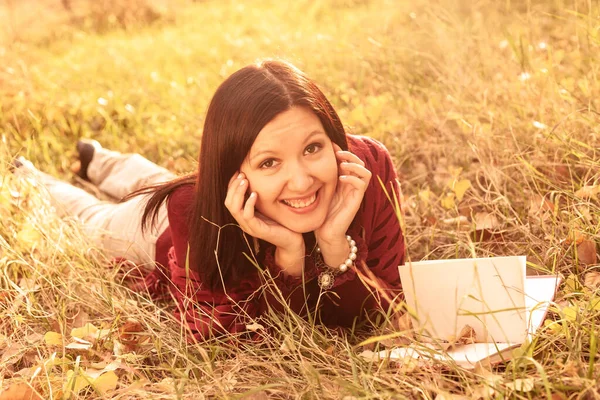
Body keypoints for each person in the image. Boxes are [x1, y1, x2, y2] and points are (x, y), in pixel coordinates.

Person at [13, 60, 405, 341]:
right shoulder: (191, 210)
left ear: (333, 140)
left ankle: (98, 158)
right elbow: (216, 335)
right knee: (93, 217)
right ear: (232, 175)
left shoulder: (364, 170)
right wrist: (288, 257)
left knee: (158, 181)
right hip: (162, 231)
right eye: (269, 162)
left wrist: (335, 245)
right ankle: (29, 174)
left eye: (312, 148)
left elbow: (386, 303)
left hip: (198, 190)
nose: (302, 181)